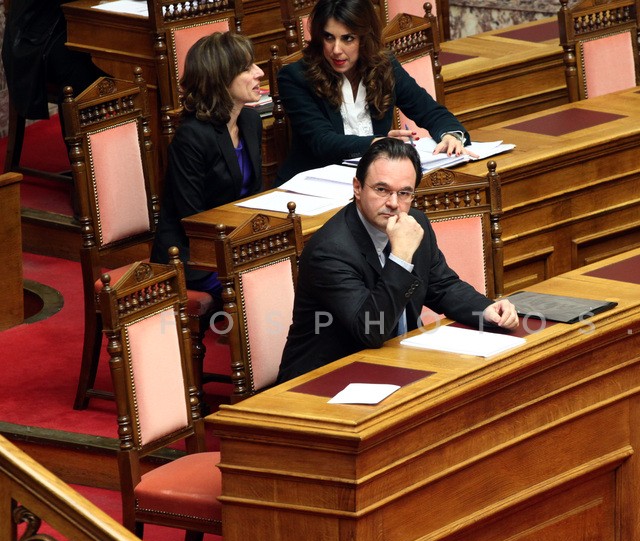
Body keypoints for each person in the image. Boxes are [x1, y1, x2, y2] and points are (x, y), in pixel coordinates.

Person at [276, 137, 518, 382]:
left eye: (404, 193)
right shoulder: (330, 251)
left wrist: (486, 309)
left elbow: (442, 286)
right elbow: (371, 329)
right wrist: (401, 256)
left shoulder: (415, 223)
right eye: (382, 190)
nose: (393, 203)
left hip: (393, 364)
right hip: (323, 382)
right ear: (357, 188)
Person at [275, 0, 471, 183]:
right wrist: (377, 143)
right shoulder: (295, 77)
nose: (336, 49)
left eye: (347, 38)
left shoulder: (385, 66)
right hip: (314, 187)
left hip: (375, 183)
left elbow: (430, 112)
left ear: (364, 38)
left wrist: (450, 135)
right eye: (328, 37)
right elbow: (322, 142)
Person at [151, 31, 265, 297]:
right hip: (192, 257)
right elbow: (192, 217)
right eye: (247, 68)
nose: (259, 72)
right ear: (221, 80)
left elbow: (254, 195)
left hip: (235, 246)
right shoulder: (192, 136)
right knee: (260, 287)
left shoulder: (250, 122)